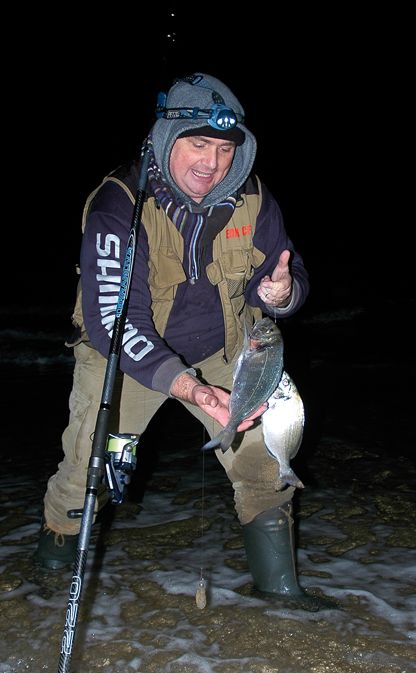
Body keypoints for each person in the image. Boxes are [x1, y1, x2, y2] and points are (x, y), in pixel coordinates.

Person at [35, 73, 328, 611]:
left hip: (227, 352)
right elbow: (114, 323)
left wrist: (285, 292)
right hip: (125, 356)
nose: (211, 162)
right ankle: (49, 584)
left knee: (263, 462)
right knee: (87, 472)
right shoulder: (118, 206)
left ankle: (282, 595)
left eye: (222, 148)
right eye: (198, 143)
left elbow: (289, 275)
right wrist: (189, 389)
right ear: (166, 140)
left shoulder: (256, 201)